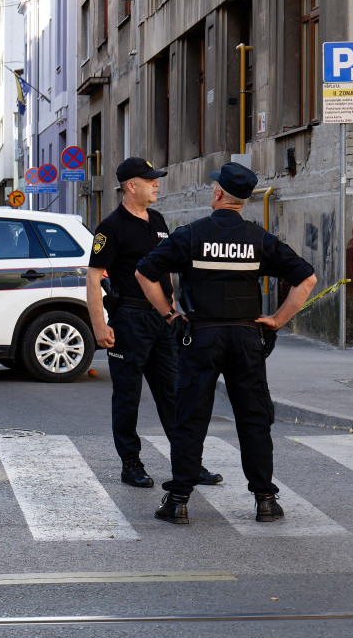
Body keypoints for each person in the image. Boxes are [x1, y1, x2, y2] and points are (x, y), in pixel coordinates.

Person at [135, 162, 316, 525]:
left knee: (190, 417)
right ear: (244, 200)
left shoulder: (191, 235)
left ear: (218, 193)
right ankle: (266, 501)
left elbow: (144, 272)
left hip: (201, 336)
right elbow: (306, 279)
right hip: (247, 338)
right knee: (253, 419)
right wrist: (277, 320)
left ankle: (178, 501)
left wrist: (170, 315)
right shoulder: (259, 239)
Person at [87, 158, 223, 489]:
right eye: (150, 180)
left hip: (161, 322)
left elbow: (166, 271)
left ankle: (188, 463)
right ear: (131, 186)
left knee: (175, 394)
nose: (156, 184)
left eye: (156, 179)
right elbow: (93, 278)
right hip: (129, 319)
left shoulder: (158, 220)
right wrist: (99, 326)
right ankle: (131, 464)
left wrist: (173, 311)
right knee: (127, 396)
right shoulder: (111, 227)